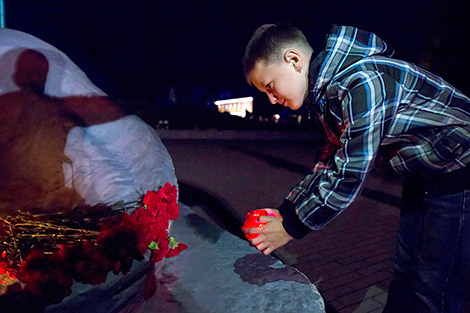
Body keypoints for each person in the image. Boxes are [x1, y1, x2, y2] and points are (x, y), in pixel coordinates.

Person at [242, 23, 470, 313]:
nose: (272, 100)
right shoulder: (328, 97)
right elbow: (328, 162)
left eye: (270, 86)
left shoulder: (363, 81)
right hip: (424, 172)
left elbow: (350, 172)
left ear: (293, 60)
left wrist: (292, 226)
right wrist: (286, 210)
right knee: (405, 270)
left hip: (459, 170)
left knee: (433, 285)